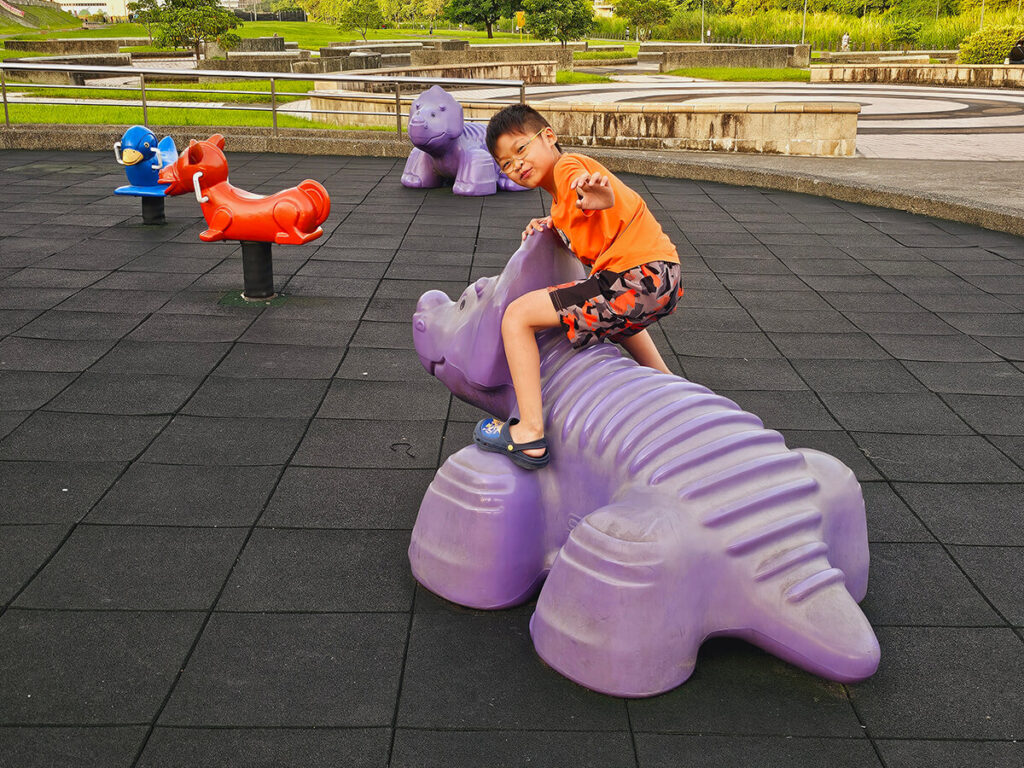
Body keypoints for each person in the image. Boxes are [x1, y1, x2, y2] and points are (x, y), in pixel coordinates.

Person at [472, 105, 684, 470]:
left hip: (634, 276)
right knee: (608, 315)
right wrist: (551, 223)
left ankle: (529, 432)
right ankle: (668, 383)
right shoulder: (558, 204)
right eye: (506, 164)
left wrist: (597, 198)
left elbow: (584, 190)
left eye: (521, 150)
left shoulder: (569, 169)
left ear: (549, 136)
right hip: (661, 275)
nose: (516, 165)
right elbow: (572, 211)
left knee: (518, 316)